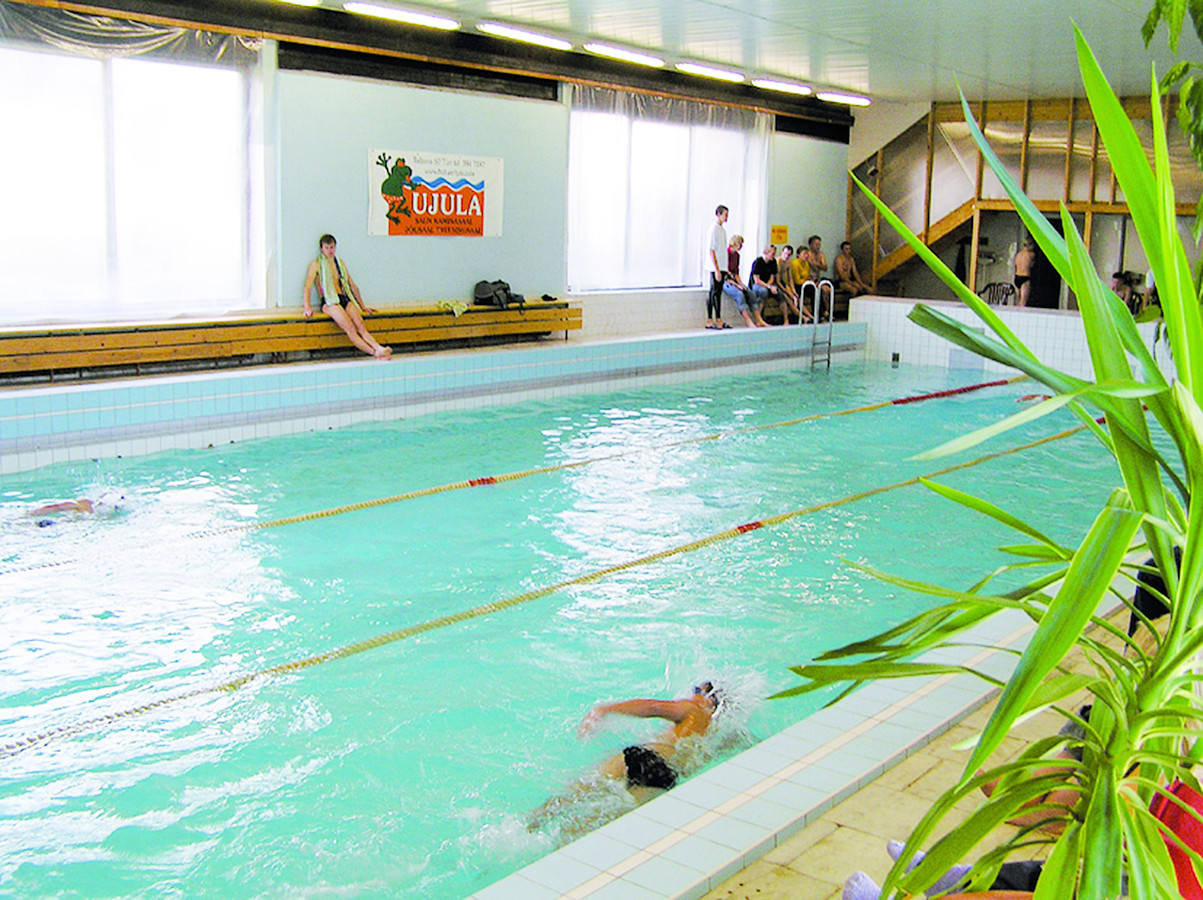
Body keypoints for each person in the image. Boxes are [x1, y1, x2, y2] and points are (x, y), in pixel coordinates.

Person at [529, 682, 724, 833]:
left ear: (708, 698)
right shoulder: (717, 734)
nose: (692, 694)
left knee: (575, 792)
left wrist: (606, 709)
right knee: (596, 824)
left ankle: (530, 824)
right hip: (664, 778)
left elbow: (653, 707)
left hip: (647, 758)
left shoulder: (693, 709)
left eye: (697, 690)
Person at [302, 234, 393, 360]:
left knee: (360, 325)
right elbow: (307, 286)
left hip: (342, 297)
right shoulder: (316, 265)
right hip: (329, 302)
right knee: (350, 327)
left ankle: (379, 347)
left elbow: (352, 285)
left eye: (332, 247)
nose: (330, 251)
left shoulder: (340, 264)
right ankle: (374, 352)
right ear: (322, 249)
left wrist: (363, 306)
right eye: (327, 248)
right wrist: (307, 308)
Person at [720, 235, 752, 328]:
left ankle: (758, 319)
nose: (741, 247)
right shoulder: (725, 254)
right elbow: (726, 274)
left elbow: (736, 273)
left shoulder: (737, 256)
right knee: (739, 294)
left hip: (733, 278)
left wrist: (741, 284)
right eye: (740, 244)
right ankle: (747, 320)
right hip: (725, 280)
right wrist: (737, 285)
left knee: (749, 292)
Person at [705, 205, 730, 330]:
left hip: (722, 265)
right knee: (714, 293)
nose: (727, 217)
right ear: (718, 214)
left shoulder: (722, 230)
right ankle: (713, 318)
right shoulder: (713, 229)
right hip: (716, 266)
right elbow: (711, 250)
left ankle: (715, 318)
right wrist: (717, 269)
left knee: (717, 292)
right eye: (725, 215)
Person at [746, 245, 776, 327]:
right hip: (756, 285)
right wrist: (768, 287)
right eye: (772, 254)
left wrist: (770, 285)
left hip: (767, 284)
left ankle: (785, 319)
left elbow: (772, 277)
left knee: (779, 293)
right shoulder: (758, 262)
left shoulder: (773, 262)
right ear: (766, 253)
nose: (773, 256)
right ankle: (759, 318)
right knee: (763, 291)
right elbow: (757, 280)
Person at [774, 245, 805, 324]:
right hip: (777, 285)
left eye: (788, 255)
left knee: (797, 298)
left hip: (784, 284)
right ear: (782, 252)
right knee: (789, 300)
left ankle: (809, 316)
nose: (786, 256)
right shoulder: (778, 262)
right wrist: (788, 293)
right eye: (785, 254)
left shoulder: (788, 263)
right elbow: (778, 281)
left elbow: (790, 279)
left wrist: (793, 291)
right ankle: (803, 317)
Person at [1013, 237, 1035, 307]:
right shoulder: (1031, 255)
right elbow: (1031, 265)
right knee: (1023, 301)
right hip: (1025, 278)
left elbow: (1016, 265)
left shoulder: (1019, 254)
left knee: (1017, 300)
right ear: (1030, 245)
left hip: (1017, 277)